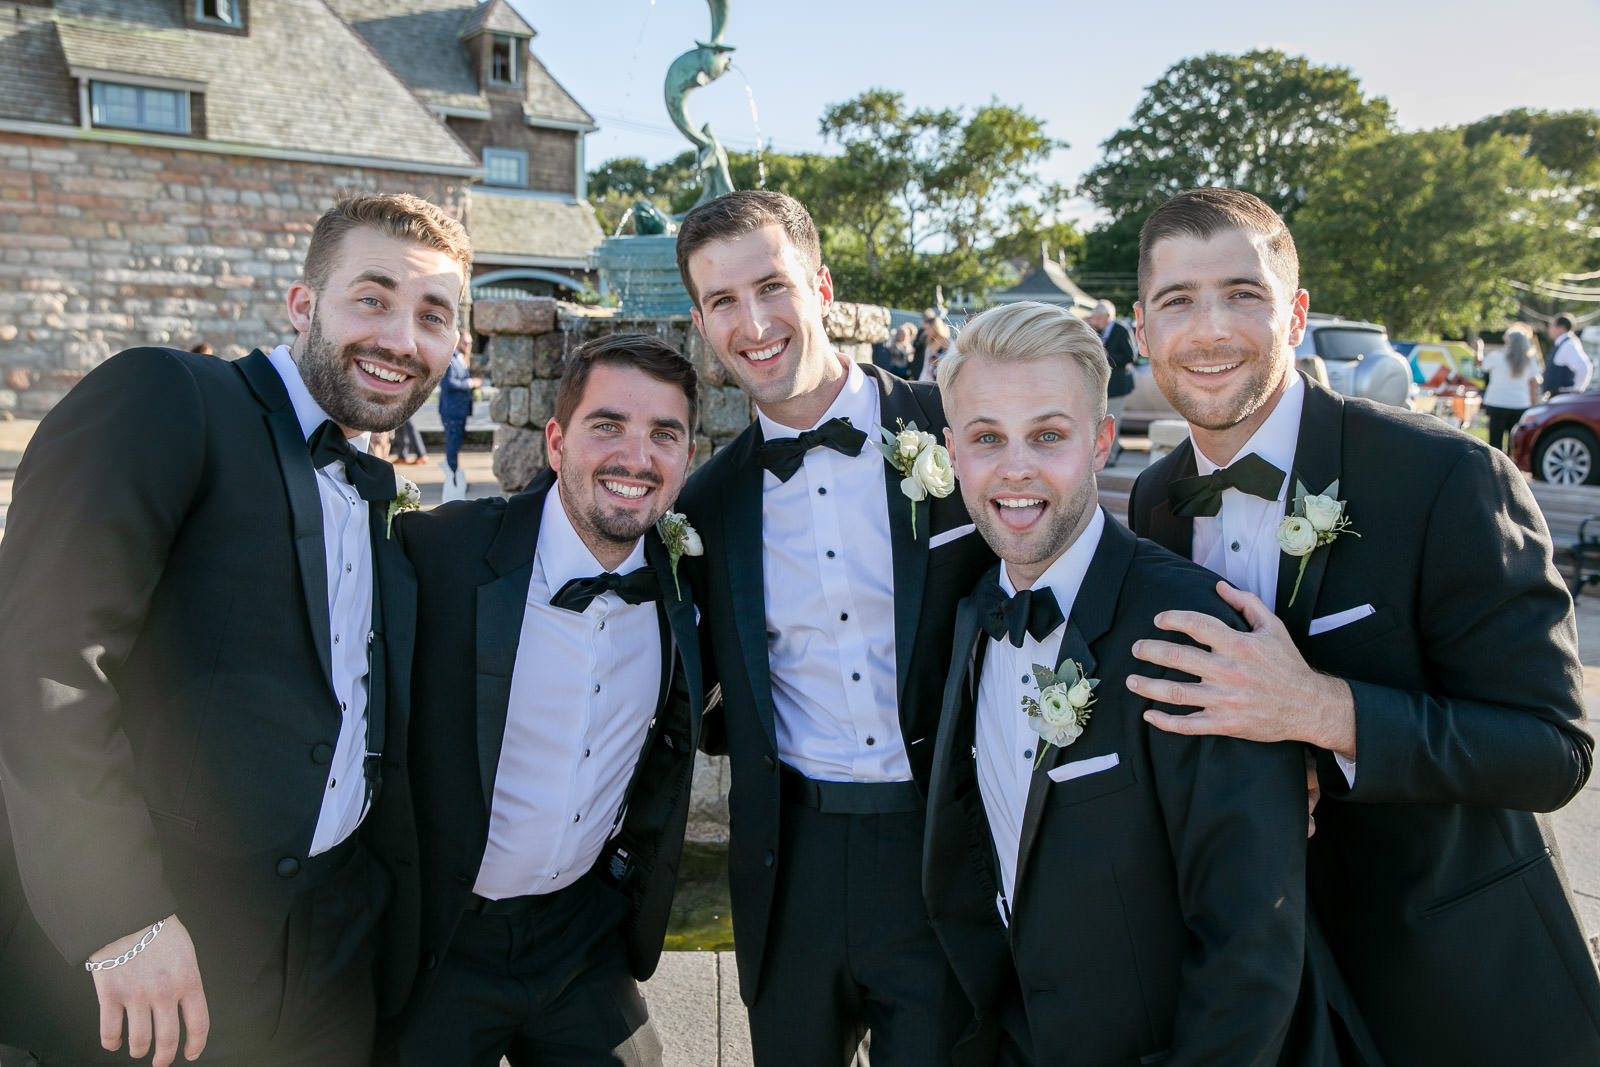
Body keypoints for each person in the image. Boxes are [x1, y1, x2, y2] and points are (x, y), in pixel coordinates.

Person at [1124, 187, 1600, 1066]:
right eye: (1178, 300)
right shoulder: (1155, 501)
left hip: (1455, 987)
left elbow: (1553, 750)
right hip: (1261, 992)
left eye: (1243, 294)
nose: (1211, 329)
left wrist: (1322, 711)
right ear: (1143, 330)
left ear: (1297, 314)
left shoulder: (1447, 476)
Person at [0, 192, 469, 1065]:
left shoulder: (376, 493)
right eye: (372, 298)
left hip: (335, 953)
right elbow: (42, 659)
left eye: (432, 316)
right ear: (302, 303)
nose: (402, 338)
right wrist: (120, 918)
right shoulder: (169, 394)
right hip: (160, 945)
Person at [923, 300, 1313, 1066]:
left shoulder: (1190, 629)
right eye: (987, 437)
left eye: (1048, 435)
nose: (1015, 468)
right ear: (952, 451)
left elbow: (1251, 940)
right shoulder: (969, 612)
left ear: (1101, 441)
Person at [674, 190, 995, 1066]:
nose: (753, 323)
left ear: (820, 286)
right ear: (702, 323)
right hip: (791, 861)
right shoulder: (706, 503)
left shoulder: (955, 428)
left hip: (942, 844)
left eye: (771, 286)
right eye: (723, 301)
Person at [379, 333, 704, 1066]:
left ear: (687, 457)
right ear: (556, 442)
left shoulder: (688, 585)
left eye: (664, 434)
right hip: (440, 937)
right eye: (608, 425)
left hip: (580, 937)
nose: (636, 457)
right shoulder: (440, 553)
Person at [1480, 324, 1543, 452]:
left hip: (1497, 403)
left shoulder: (1496, 357)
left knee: (1495, 442)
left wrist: (1480, 348)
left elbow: (1481, 364)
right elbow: (1533, 384)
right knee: (1514, 442)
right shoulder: (1530, 361)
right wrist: (1533, 405)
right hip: (1520, 403)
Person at [1086, 299, 1135, 463]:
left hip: (1118, 386)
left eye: (1097, 318)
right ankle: (1117, 447)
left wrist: (1106, 356)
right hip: (1103, 386)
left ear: (1107, 316)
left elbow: (1131, 356)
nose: (1094, 321)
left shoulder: (1122, 330)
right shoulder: (1096, 331)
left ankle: (1111, 457)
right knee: (1101, 420)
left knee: (1113, 421)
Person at [438, 327, 480, 502]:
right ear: (457, 342)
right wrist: (470, 383)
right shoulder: (450, 360)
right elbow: (448, 383)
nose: (469, 345)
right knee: (452, 445)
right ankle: (452, 478)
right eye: (465, 342)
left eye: (470, 342)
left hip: (459, 410)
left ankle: (454, 477)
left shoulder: (461, 359)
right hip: (452, 410)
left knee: (455, 445)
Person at [1545, 312, 1592, 397]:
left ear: (1562, 328)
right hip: (1560, 395)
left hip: (1563, 395)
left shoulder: (1568, 345)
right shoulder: (1564, 343)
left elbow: (1583, 368)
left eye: (1552, 326)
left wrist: (1576, 390)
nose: (1549, 329)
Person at [917, 315, 953, 383]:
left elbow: (950, 359)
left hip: (941, 379)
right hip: (929, 378)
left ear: (936, 327)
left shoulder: (945, 341)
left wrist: (938, 362)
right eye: (926, 329)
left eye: (929, 328)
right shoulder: (931, 341)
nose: (927, 332)